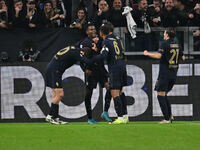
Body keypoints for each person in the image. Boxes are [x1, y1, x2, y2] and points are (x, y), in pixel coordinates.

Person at [82, 22, 129, 124]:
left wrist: (91, 59)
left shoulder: (106, 41)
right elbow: (124, 56)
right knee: (121, 91)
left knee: (114, 92)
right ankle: (125, 116)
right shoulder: (118, 39)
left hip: (114, 69)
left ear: (102, 32)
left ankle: (120, 118)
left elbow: (103, 56)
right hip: (122, 67)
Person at [143, 28, 185, 124]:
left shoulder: (164, 43)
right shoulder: (178, 44)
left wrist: (147, 53)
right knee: (164, 94)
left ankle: (166, 119)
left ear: (167, 35)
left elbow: (158, 56)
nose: (163, 34)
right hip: (174, 73)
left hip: (165, 73)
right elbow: (183, 58)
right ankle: (169, 115)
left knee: (160, 95)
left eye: (165, 33)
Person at [45, 45, 92, 125]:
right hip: (55, 70)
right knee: (60, 94)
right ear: (82, 52)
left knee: (55, 95)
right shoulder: (77, 53)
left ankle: (55, 118)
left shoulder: (74, 49)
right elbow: (86, 61)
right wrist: (101, 55)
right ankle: (50, 116)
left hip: (52, 69)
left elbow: (81, 62)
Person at [77, 23, 112, 124]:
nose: (93, 31)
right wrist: (84, 69)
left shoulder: (101, 40)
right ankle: (90, 118)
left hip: (100, 69)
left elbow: (103, 53)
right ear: (87, 32)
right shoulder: (84, 43)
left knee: (109, 88)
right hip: (91, 71)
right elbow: (81, 58)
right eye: (90, 29)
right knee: (89, 94)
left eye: (94, 29)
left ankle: (105, 111)